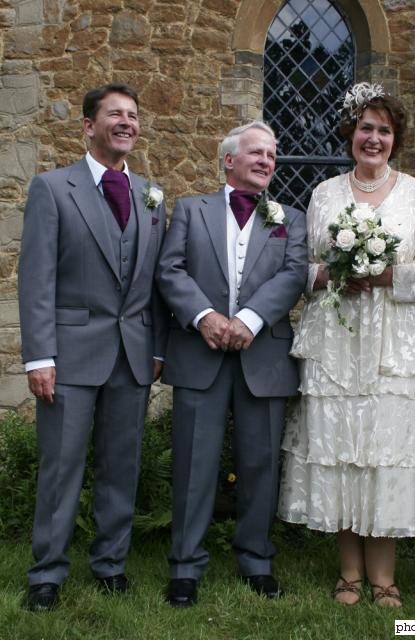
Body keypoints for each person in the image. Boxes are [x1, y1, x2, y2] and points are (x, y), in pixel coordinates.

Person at [277, 83, 415, 607]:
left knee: (386, 452)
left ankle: (384, 578)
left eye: (385, 131)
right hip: (337, 339)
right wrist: (333, 275)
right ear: (351, 133)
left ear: (396, 138)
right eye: (366, 128)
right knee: (342, 450)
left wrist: (387, 274)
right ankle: (348, 573)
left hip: (394, 342)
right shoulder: (325, 193)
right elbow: (302, 268)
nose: (374, 139)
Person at [18, 83, 168, 611]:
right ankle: (47, 573)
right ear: (88, 125)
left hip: (132, 355)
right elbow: (35, 278)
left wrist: (158, 350)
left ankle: (110, 564)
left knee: (121, 465)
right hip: (70, 356)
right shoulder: (52, 189)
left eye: (133, 114)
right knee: (61, 467)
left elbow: (153, 282)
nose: (126, 122)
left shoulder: (153, 195)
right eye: (114, 114)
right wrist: (40, 357)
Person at [156, 121, 307, 607]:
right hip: (200, 353)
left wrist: (248, 319)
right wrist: (204, 316)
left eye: (272, 155)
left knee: (261, 462)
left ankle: (256, 560)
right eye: (257, 153)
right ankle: (184, 565)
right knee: (193, 463)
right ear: (229, 161)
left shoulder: (291, 217)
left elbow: (293, 274)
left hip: (262, 355)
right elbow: (170, 269)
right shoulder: (191, 209)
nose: (267, 161)